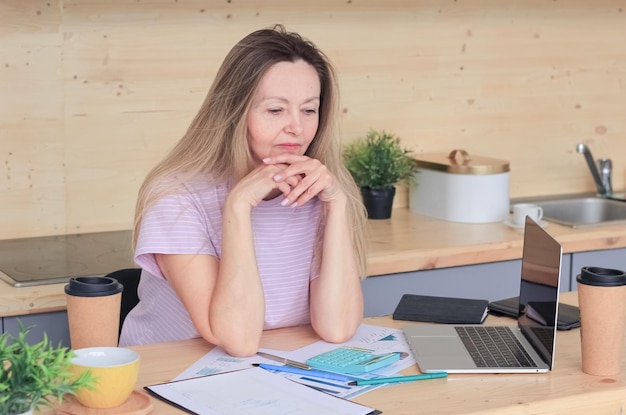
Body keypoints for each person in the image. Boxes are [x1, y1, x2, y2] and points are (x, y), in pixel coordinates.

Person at [118, 24, 367, 357]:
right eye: (275, 110)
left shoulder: (322, 190)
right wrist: (238, 206)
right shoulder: (176, 197)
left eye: (309, 110)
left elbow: (337, 328)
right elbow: (237, 339)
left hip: (274, 373)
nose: (297, 126)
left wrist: (338, 204)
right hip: (167, 376)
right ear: (235, 113)